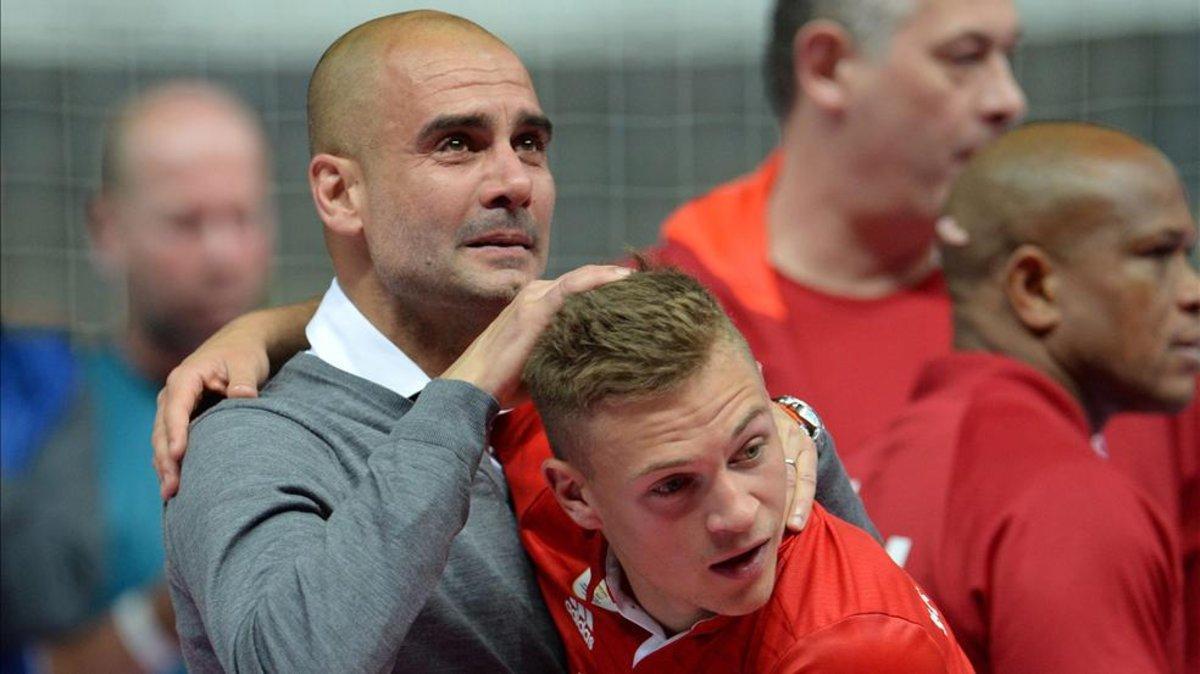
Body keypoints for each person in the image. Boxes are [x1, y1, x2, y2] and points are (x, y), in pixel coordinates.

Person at [161, 11, 873, 673]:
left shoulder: (597, 389)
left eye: (529, 144)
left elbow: (869, 612)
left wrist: (784, 436)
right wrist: (460, 399)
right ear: (341, 194)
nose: (513, 181)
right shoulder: (252, 440)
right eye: (456, 145)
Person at [647, 0, 1198, 658]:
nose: (1009, 100)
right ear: (828, 65)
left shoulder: (1124, 322)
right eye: (965, 58)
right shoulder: (671, 330)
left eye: (1009, 55)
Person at [493, 268, 970, 672]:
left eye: (749, 451)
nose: (740, 516)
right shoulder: (547, 459)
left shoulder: (851, 650)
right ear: (576, 497)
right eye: (675, 485)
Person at [856, 122, 1197, 673]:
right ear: (1034, 287)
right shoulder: (1068, 504)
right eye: (1158, 255)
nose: (1191, 292)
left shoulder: (859, 475)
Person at [1, 81, 274, 674]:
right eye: (185, 222)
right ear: (107, 228)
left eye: (243, 216)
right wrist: (158, 619)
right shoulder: (32, 402)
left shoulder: (317, 398)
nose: (223, 255)